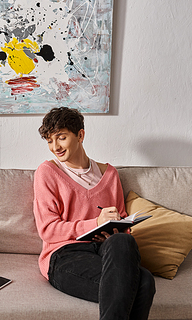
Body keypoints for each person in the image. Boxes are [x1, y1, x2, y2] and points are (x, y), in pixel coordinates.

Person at [33, 107, 155, 320]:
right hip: (65, 254)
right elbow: (47, 230)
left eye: (61, 138)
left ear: (80, 135)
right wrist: (94, 223)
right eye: (50, 141)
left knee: (123, 242)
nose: (55, 147)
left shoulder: (110, 174)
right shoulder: (47, 173)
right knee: (144, 283)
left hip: (106, 250)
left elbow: (122, 217)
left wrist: (115, 231)